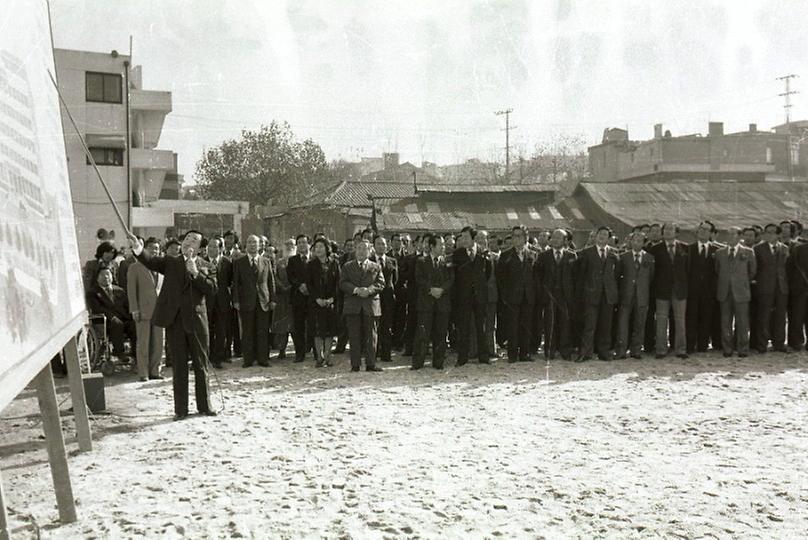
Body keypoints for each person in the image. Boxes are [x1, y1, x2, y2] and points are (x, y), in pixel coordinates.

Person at [129, 230, 217, 420]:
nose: (188, 242)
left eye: (193, 240)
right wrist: (138, 248)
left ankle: (205, 405)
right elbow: (150, 261)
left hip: (197, 322)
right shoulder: (171, 261)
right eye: (186, 239)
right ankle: (181, 409)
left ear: (200, 248)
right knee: (179, 366)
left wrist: (195, 273)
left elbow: (212, 289)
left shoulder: (207, 265)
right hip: (175, 322)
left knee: (201, 365)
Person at [340, 239, 385, 372]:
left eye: (364, 248)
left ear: (370, 250)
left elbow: (381, 283)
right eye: (359, 248)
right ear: (355, 250)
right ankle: (355, 364)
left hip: (370, 305)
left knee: (371, 335)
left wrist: (369, 290)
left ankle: (371, 364)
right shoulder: (347, 266)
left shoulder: (375, 266)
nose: (361, 251)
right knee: (354, 335)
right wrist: (356, 290)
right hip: (353, 305)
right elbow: (343, 283)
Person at [576, 226, 619, 361]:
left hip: (607, 295)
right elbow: (581, 275)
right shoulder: (586, 252)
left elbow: (616, 275)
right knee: (590, 325)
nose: (602, 236)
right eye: (600, 234)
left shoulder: (614, 254)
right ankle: (586, 352)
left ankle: (604, 352)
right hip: (591, 294)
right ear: (595, 236)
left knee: (605, 326)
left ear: (608, 238)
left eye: (605, 234)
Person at [232, 235, 276, 368]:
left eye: (255, 242)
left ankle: (263, 358)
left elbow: (271, 282)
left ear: (260, 245)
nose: (252, 245)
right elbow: (236, 283)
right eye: (249, 242)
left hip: (263, 300)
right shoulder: (239, 262)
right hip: (246, 300)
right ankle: (248, 359)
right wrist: (236, 300)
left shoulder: (266, 261)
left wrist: (273, 299)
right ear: (246, 245)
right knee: (247, 331)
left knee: (263, 330)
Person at [412, 234, 454, 370]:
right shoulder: (421, 261)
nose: (443, 247)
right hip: (426, 302)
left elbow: (451, 279)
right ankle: (418, 362)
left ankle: (438, 363)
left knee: (441, 334)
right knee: (422, 334)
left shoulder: (447, 261)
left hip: (442, 302)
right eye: (440, 244)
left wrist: (441, 290)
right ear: (431, 246)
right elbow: (419, 279)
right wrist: (431, 289)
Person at [648, 223, 689, 359]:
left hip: (680, 290)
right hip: (662, 290)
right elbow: (652, 272)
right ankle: (661, 350)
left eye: (671, 229)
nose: (668, 231)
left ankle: (681, 349)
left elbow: (688, 270)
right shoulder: (655, 249)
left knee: (680, 321)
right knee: (661, 320)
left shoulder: (685, 248)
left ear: (676, 232)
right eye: (666, 229)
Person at [535, 228, 577, 360]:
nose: (555, 240)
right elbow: (538, 277)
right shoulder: (543, 256)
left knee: (565, 323)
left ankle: (565, 350)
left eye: (558, 238)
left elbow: (576, 277)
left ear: (565, 241)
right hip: (549, 296)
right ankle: (549, 350)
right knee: (549, 323)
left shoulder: (571, 256)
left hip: (565, 296)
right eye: (553, 237)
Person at [497, 225, 537, 363]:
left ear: (525, 238)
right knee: (512, 326)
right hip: (512, 297)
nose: (516, 238)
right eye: (514, 236)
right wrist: (505, 297)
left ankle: (524, 353)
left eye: (519, 236)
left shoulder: (533, 254)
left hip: (528, 296)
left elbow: (536, 277)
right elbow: (501, 279)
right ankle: (512, 355)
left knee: (526, 325)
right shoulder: (505, 255)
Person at [715, 227, 756, 357]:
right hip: (724, 291)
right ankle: (727, 348)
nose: (730, 236)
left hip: (741, 292)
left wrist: (741, 281)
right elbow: (717, 270)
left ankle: (743, 349)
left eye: (733, 234)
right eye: (729, 233)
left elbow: (752, 271)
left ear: (739, 237)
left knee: (742, 322)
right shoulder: (720, 253)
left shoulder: (748, 252)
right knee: (725, 321)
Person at [127, 238, 165, 381]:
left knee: (158, 342)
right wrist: (134, 309)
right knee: (143, 342)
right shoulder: (135, 267)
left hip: (160, 311)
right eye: (151, 248)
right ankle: (143, 372)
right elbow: (131, 290)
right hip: (143, 311)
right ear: (144, 249)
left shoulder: (161, 267)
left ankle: (155, 370)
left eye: (156, 248)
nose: (154, 251)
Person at [452, 226, 490, 365]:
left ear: (473, 238)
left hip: (479, 295)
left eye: (466, 237)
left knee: (481, 326)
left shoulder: (483, 252)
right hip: (464, 296)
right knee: (464, 327)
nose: (463, 240)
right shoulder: (458, 254)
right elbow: (455, 275)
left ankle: (484, 357)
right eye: (462, 237)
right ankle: (462, 358)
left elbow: (487, 273)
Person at [615, 231, 655, 359]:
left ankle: (636, 350)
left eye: (640, 240)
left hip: (642, 295)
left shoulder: (649, 258)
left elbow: (651, 277)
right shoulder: (623, 257)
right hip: (626, 294)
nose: (637, 242)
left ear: (644, 243)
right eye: (634, 240)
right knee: (622, 323)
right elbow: (618, 276)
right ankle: (621, 351)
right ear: (630, 242)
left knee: (640, 323)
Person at [753, 223, 789, 353]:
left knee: (780, 316)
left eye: (772, 232)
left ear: (778, 234)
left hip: (781, 287)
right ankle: (761, 345)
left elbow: (786, 268)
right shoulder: (758, 249)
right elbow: (754, 268)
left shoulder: (785, 248)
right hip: (764, 286)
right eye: (767, 232)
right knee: (764, 316)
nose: (769, 234)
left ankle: (779, 343)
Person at [86, 267, 136, 362]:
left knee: (135, 324)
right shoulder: (93, 292)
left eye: (108, 274)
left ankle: (135, 353)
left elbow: (128, 306)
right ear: (97, 278)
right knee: (117, 324)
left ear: (112, 276)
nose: (106, 277)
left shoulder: (119, 290)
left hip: (123, 318)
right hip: (105, 321)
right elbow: (97, 308)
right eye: (102, 275)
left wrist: (133, 315)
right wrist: (111, 317)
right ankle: (119, 352)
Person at [686, 221, 719, 353]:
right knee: (691, 318)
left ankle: (702, 346)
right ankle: (690, 345)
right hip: (692, 290)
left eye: (706, 230)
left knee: (706, 318)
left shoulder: (716, 250)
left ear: (711, 233)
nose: (703, 232)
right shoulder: (688, 249)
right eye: (701, 229)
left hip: (709, 291)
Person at [306, 238, 341, 367]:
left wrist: (333, 298)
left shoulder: (334, 263)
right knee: (317, 330)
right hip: (316, 302)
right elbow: (309, 284)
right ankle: (319, 356)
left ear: (327, 248)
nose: (318, 249)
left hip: (331, 301)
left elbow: (339, 282)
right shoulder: (311, 264)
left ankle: (328, 354)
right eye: (316, 247)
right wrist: (317, 299)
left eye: (321, 246)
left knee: (329, 330)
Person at [206, 237, 233, 369]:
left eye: (215, 247)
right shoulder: (202, 262)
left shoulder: (227, 262)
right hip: (206, 302)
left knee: (221, 331)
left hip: (222, 301)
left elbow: (230, 281)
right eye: (210, 246)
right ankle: (206, 357)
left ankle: (218, 358)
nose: (212, 249)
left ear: (221, 248)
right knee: (206, 330)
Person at [370, 235, 398, 363]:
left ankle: (386, 354)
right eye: (378, 244)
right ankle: (373, 354)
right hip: (374, 297)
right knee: (374, 326)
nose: (381, 246)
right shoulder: (369, 261)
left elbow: (396, 280)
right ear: (374, 246)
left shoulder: (392, 261)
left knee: (387, 326)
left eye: (383, 244)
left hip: (388, 298)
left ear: (387, 246)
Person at [287, 234, 312, 362]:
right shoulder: (292, 260)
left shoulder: (314, 259)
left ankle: (317, 352)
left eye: (304, 242)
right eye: (300, 243)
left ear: (309, 244)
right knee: (299, 327)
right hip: (298, 297)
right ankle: (300, 353)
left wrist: (309, 287)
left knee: (313, 326)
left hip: (312, 297)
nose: (302, 245)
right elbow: (290, 277)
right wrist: (300, 286)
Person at [272, 238, 295, 358]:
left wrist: (291, 286)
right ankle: (282, 350)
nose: (289, 246)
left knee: (294, 324)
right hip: (281, 297)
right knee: (281, 325)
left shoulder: (297, 260)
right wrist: (282, 287)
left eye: (291, 244)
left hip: (294, 296)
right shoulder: (279, 262)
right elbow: (274, 276)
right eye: (287, 244)